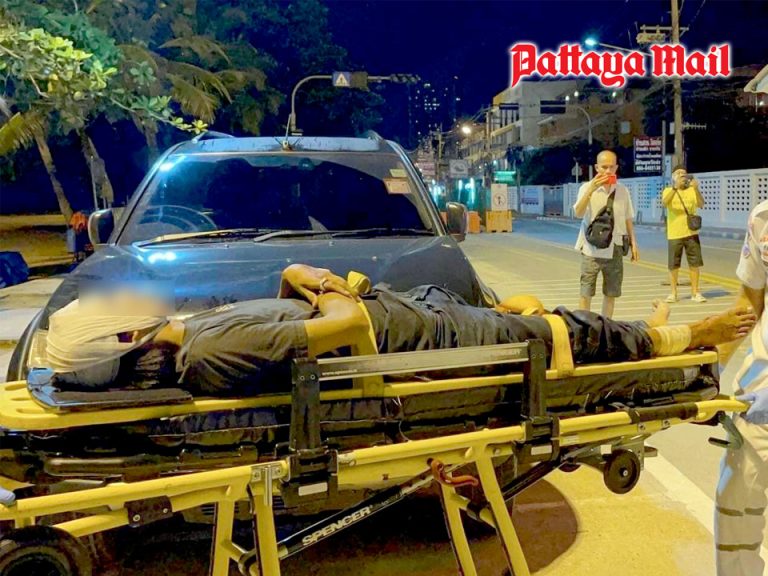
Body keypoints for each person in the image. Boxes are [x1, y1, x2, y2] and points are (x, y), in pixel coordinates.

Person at [44, 263, 755, 395]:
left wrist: (295, 278)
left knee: (527, 310)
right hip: (417, 339)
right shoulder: (213, 349)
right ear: (126, 338)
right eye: (114, 306)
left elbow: (287, 309)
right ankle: (684, 338)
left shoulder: (196, 332)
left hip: (411, 314)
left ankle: (645, 329)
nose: (125, 296)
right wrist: (328, 286)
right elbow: (344, 324)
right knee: (555, 330)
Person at [714, 199, 768, 575]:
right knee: (735, 503)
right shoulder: (763, 218)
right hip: (760, 388)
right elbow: (751, 298)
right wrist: (711, 367)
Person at [573, 150, 639, 319]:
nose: (608, 171)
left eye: (611, 167)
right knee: (586, 292)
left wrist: (633, 243)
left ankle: (606, 326)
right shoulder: (586, 188)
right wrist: (591, 190)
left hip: (615, 247)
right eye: (604, 167)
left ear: (616, 167)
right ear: (597, 167)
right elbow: (578, 213)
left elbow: (628, 218)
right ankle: (584, 326)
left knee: (611, 293)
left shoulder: (622, 191)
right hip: (591, 249)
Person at [661, 165, 706, 303]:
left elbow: (701, 204)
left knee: (694, 264)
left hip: (691, 232)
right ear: (673, 176)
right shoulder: (668, 190)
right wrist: (675, 187)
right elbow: (664, 203)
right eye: (678, 173)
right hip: (674, 233)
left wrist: (696, 189)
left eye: (684, 173)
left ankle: (695, 293)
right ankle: (673, 293)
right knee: (673, 265)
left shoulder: (692, 190)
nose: (682, 175)